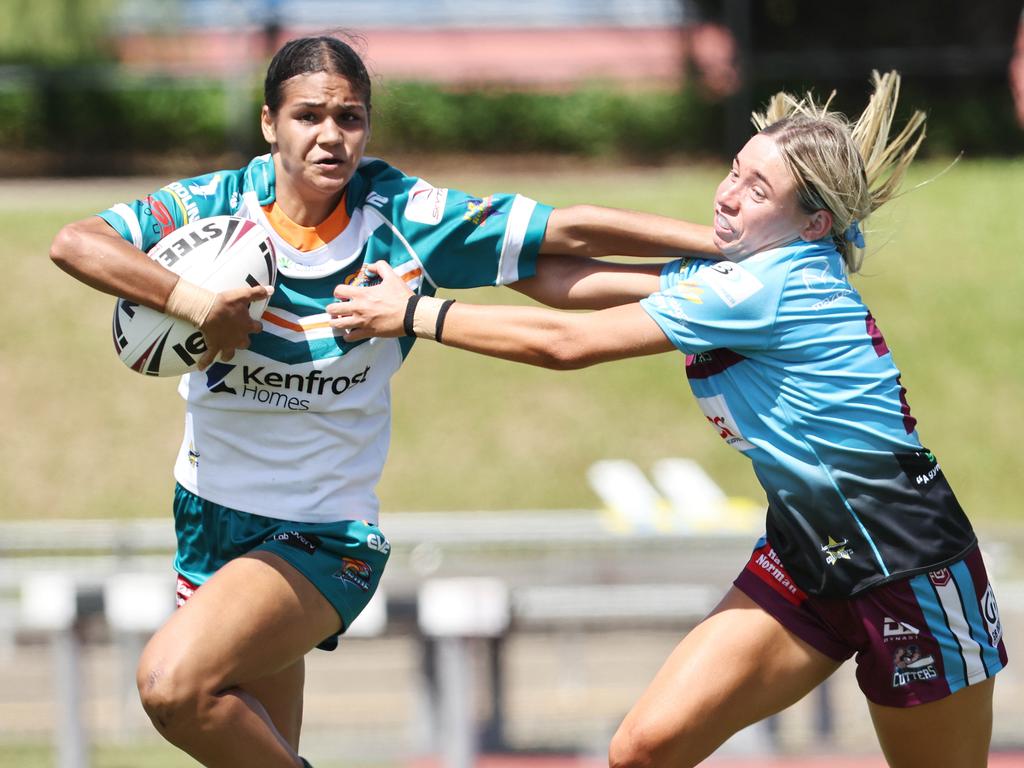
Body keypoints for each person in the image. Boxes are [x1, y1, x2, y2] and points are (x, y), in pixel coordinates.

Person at [48, 35, 720, 768]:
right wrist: (197, 304)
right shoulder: (212, 204)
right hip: (208, 518)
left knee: (171, 687)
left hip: (322, 536)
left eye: (350, 118)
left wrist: (731, 250)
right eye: (308, 116)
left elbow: (563, 241)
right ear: (269, 122)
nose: (330, 136)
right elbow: (76, 242)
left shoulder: (404, 215)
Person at [328, 71, 1007, 768]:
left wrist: (412, 314)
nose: (728, 194)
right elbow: (569, 280)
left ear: (814, 224)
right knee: (644, 751)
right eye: (734, 171)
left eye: (757, 190)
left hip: (908, 568)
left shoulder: (764, 286)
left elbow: (567, 346)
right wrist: (428, 238)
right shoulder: (740, 274)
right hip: (809, 559)